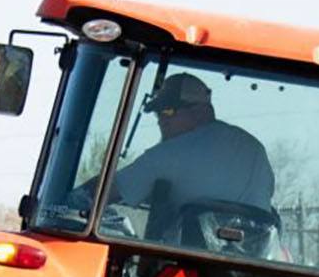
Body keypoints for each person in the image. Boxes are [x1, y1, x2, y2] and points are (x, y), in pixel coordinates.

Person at [108, 73, 277, 242]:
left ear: (202, 112)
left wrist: (82, 201)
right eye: (158, 114)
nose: (161, 121)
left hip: (185, 262)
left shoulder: (170, 154)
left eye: (169, 111)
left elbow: (104, 192)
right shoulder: (255, 150)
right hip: (253, 263)